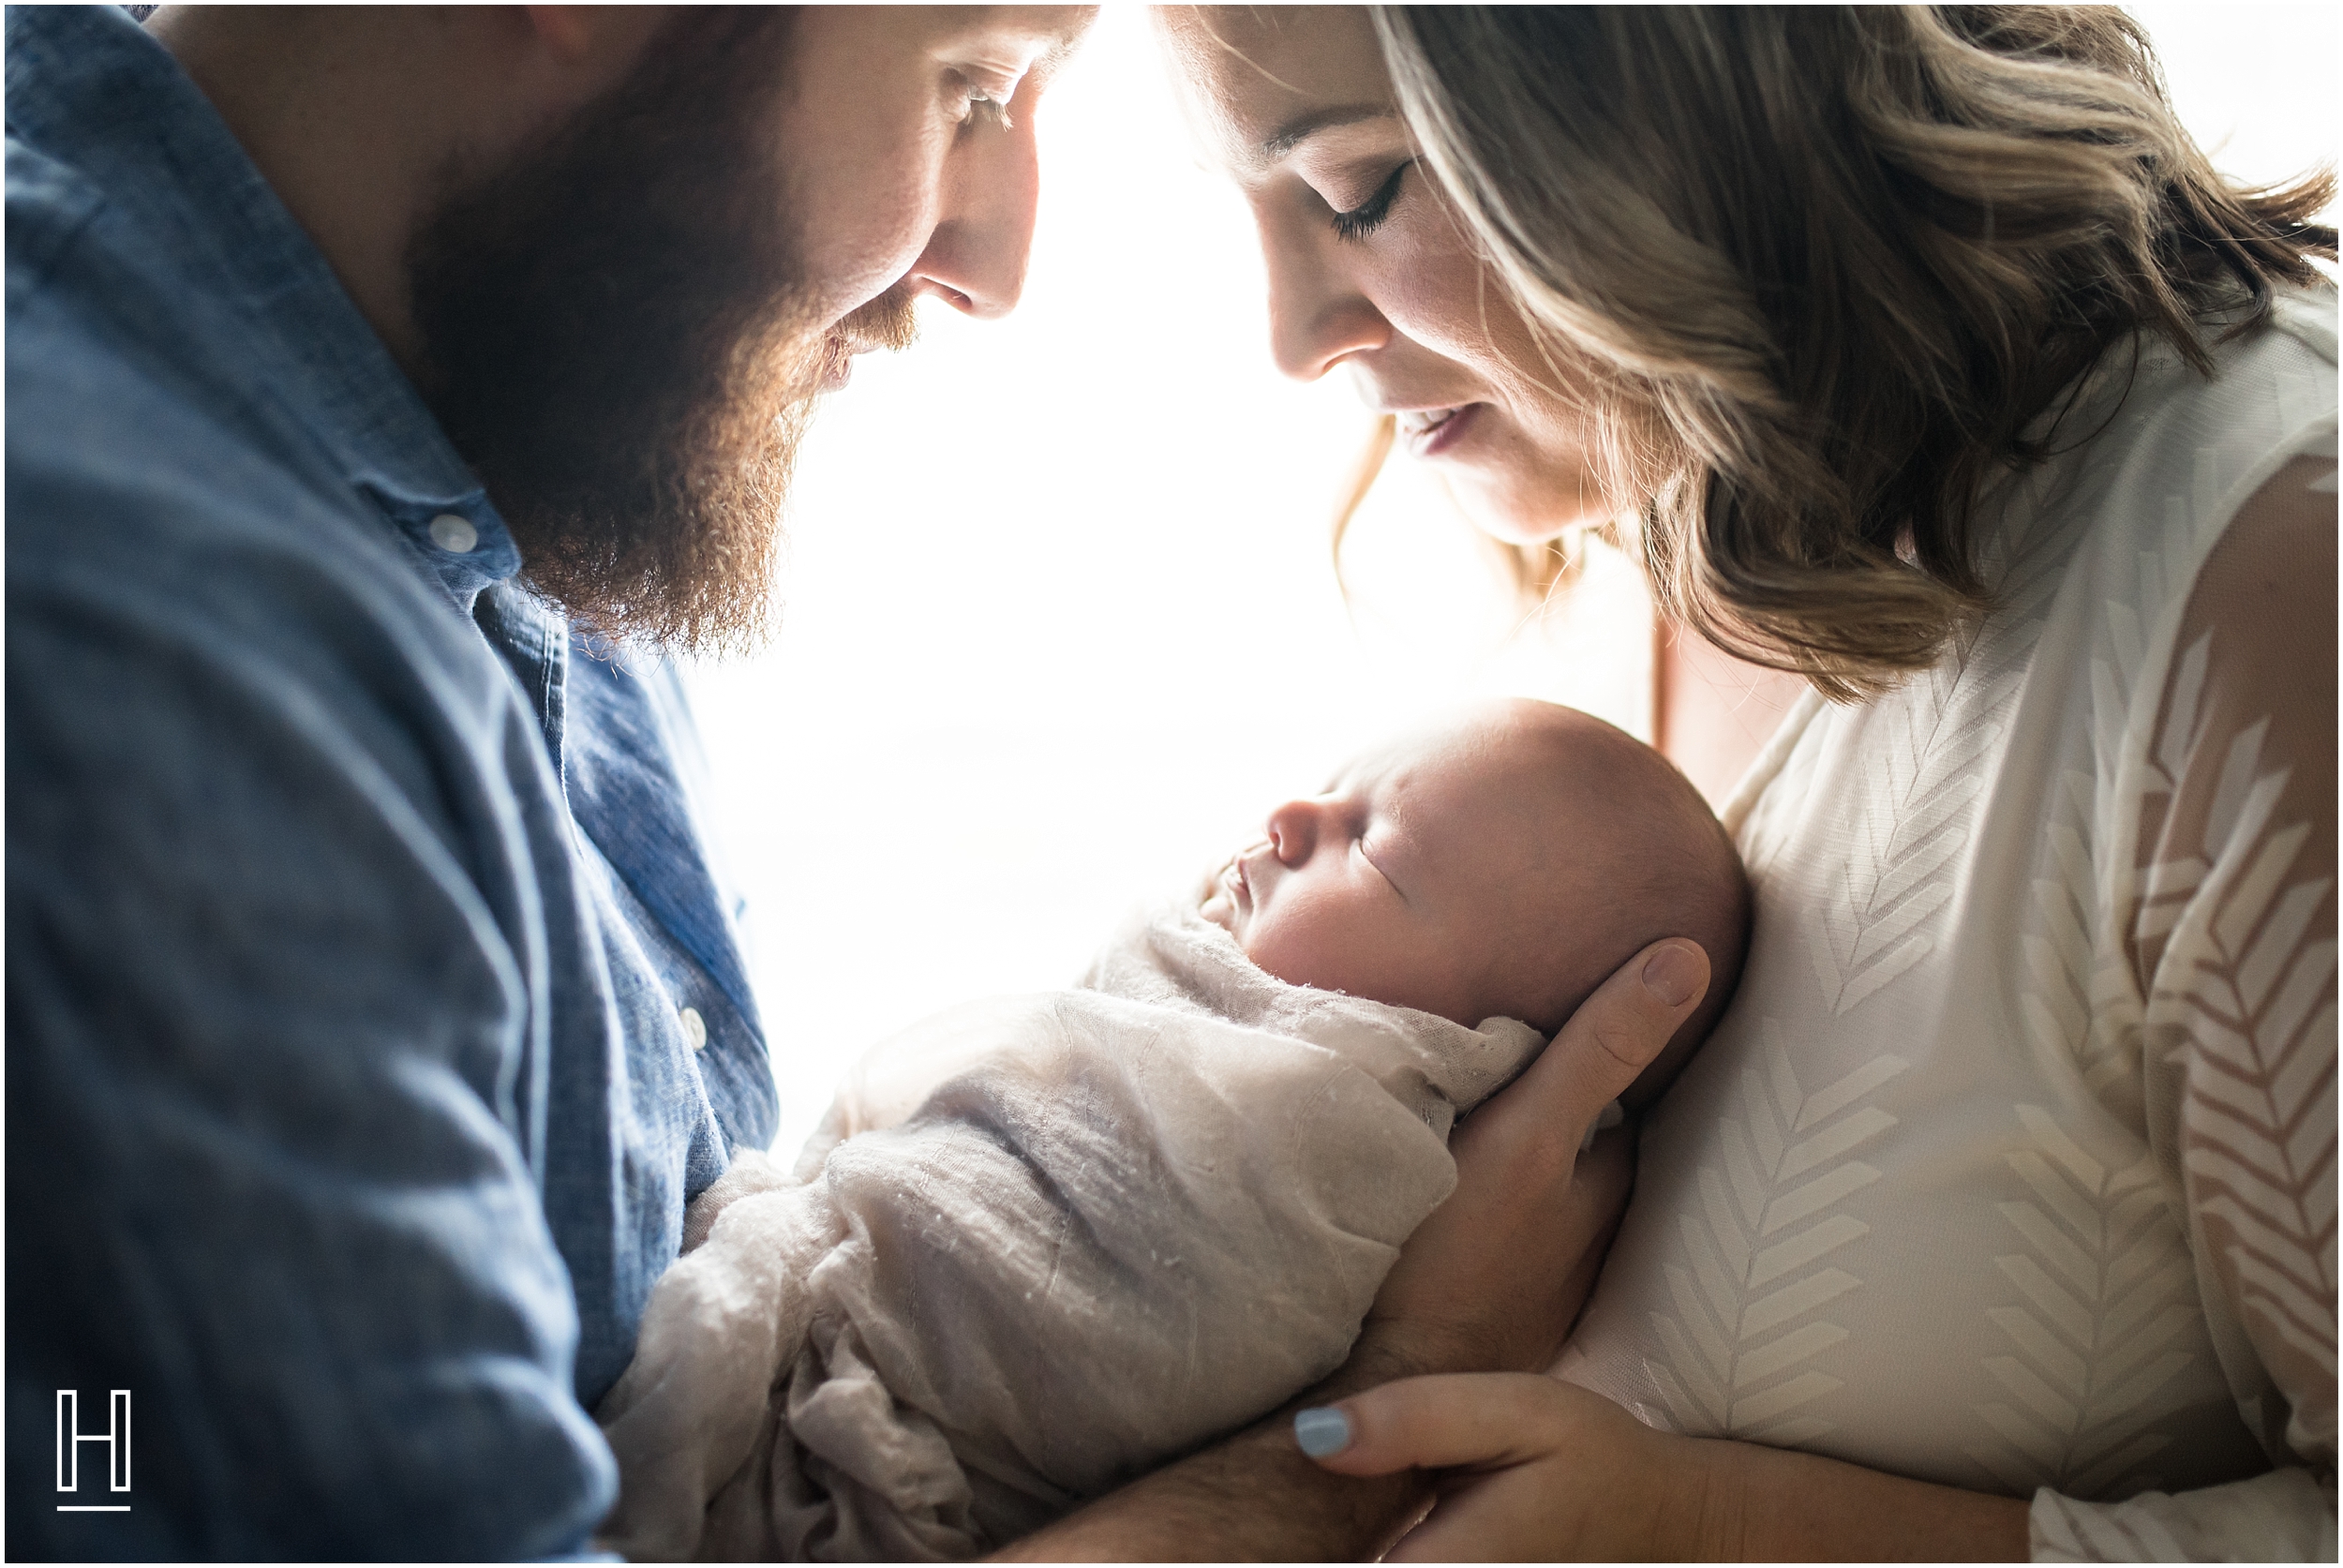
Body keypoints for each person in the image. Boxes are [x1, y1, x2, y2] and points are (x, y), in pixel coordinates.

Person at [7, 5, 1705, 1557]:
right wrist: (1382, 1410)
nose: (996, 257)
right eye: (972, 83)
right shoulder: (133, 656)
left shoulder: (506, 423)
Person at [1144, 4, 2338, 1560]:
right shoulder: (1615, 480)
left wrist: (1712, 1531)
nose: (1293, 338)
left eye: (1361, 190)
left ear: (1682, 78)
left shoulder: (2263, 579)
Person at [590, 699, 1748, 1561]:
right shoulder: (1184, 1014)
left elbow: (1124, 1301)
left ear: (1481, 1057)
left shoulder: (1321, 1139)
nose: (1291, 816)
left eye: (1376, 850)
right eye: (1331, 788)